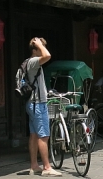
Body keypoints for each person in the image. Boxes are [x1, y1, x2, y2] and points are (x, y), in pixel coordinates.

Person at [21, 37, 61, 177]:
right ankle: (46, 167)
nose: (43, 48)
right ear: (35, 49)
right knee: (43, 135)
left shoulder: (28, 63)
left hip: (32, 103)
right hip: (38, 104)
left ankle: (34, 165)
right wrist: (38, 44)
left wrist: (39, 45)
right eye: (40, 47)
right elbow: (47, 56)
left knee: (34, 134)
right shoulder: (33, 62)